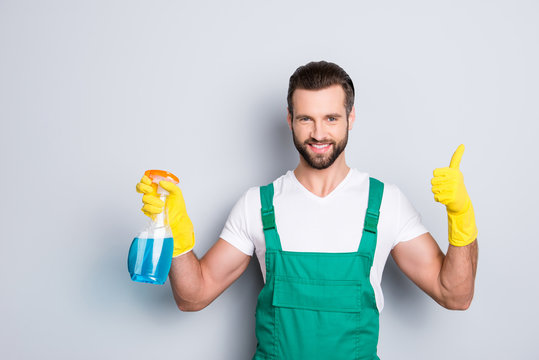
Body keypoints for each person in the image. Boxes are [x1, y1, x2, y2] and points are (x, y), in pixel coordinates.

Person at [135, 61, 478, 360]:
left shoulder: (386, 202)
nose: (318, 133)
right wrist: (175, 233)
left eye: (331, 118)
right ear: (289, 120)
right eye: (305, 119)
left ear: (351, 117)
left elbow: (456, 295)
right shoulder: (257, 205)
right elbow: (192, 297)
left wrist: (460, 216)